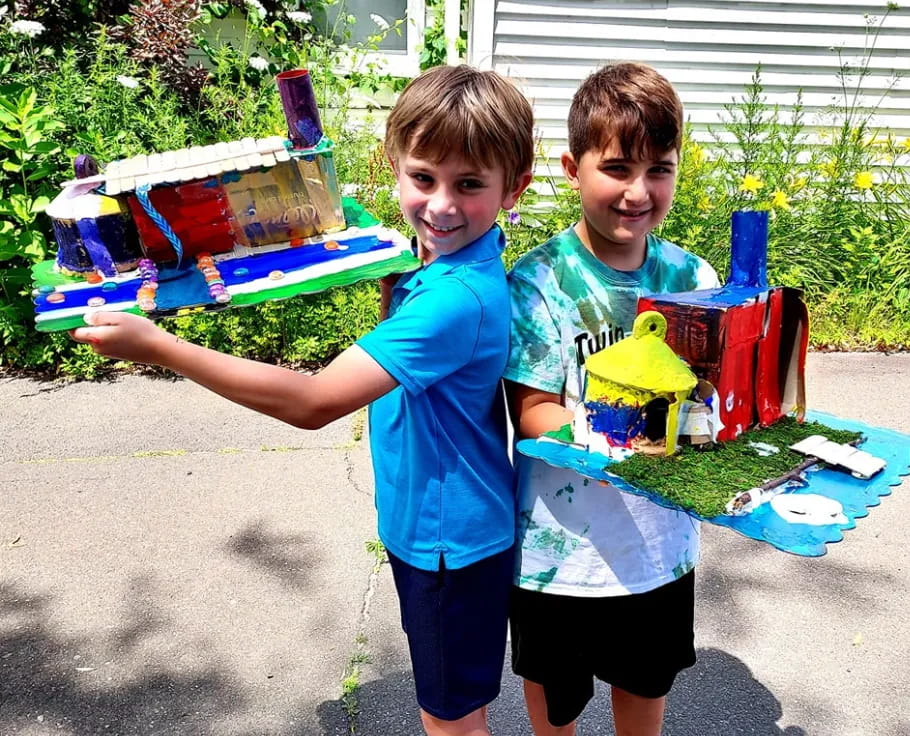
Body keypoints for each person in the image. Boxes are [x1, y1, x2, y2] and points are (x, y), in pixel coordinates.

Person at [71, 64, 535, 736]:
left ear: (512, 188)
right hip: (450, 530)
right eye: (423, 178)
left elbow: (315, 401)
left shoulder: (454, 301)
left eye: (470, 185)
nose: (440, 206)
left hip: (447, 543)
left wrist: (163, 348)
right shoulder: (456, 260)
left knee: (452, 721)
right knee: (457, 705)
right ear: (394, 167)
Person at [503, 62, 721, 736]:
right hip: (556, 559)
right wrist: (637, 432)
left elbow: (711, 403)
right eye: (618, 168)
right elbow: (533, 414)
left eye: (660, 169)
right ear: (573, 168)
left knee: (641, 712)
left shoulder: (693, 279)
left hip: (657, 552)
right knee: (556, 721)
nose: (638, 190)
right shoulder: (538, 282)